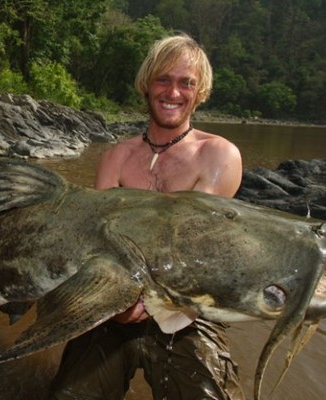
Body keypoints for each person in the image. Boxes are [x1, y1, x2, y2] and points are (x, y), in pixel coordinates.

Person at [47, 33, 245, 400]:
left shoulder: (218, 156)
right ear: (146, 84)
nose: (173, 92)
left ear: (199, 92)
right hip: (111, 305)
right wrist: (115, 304)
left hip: (188, 315)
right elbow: (96, 243)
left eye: (186, 83)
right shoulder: (116, 157)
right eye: (163, 80)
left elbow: (194, 252)